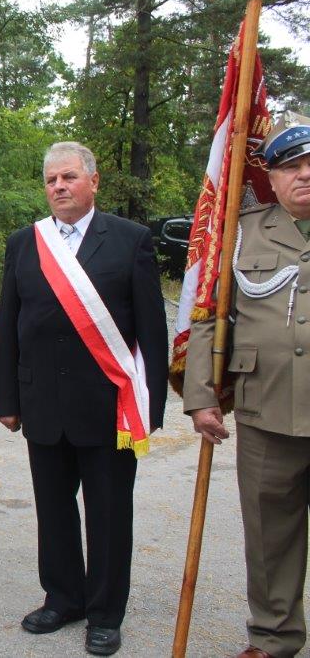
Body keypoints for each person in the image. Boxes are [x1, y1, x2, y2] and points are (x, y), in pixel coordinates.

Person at [0, 142, 168, 656]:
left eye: (69, 177)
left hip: (108, 407)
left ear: (93, 181)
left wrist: (148, 406)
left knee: (110, 513)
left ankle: (105, 612)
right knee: (53, 508)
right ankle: (63, 597)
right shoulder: (25, 243)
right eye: (51, 180)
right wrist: (8, 397)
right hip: (42, 401)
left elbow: (151, 331)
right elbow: (11, 322)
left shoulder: (130, 240)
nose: (59, 187)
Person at [183, 112, 310, 658]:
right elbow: (210, 316)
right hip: (267, 410)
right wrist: (201, 398)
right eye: (291, 166)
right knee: (269, 536)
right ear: (271, 178)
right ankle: (275, 637)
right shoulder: (241, 232)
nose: (304, 174)